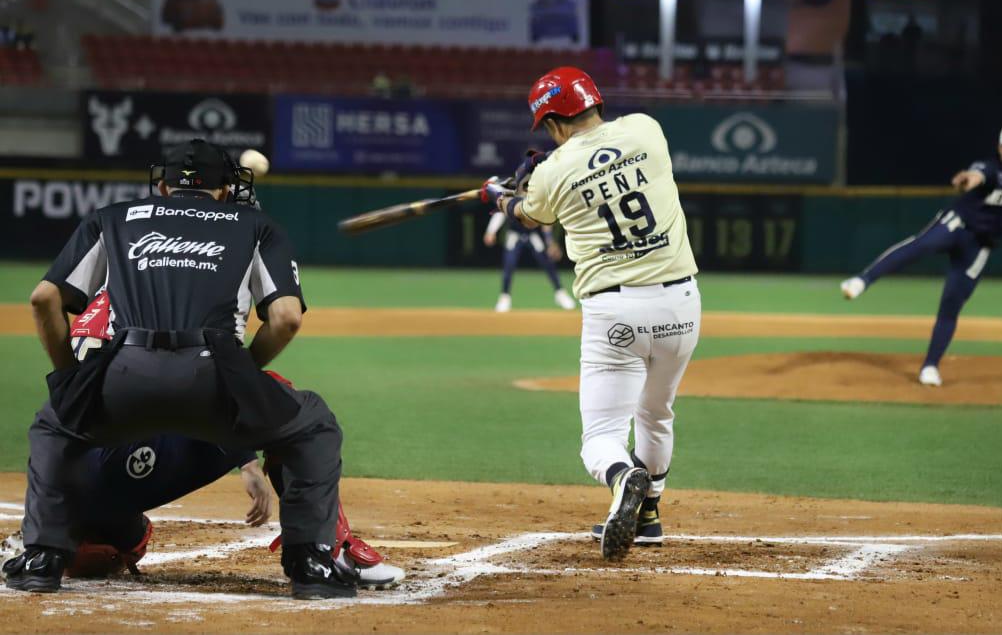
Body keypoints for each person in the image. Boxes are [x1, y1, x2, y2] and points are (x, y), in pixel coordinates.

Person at [5, 139, 359, 599]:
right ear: (225, 190)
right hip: (214, 381)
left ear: (165, 186)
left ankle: (42, 558)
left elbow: (44, 299)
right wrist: (243, 372)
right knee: (313, 425)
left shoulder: (112, 219)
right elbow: (287, 317)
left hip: (121, 377)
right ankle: (310, 562)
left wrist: (70, 379)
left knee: (54, 424)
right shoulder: (255, 225)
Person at [0, 288, 405, 589]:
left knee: (117, 543)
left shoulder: (109, 288)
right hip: (123, 457)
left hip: (75, 472)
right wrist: (246, 458)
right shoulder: (166, 295)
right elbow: (203, 386)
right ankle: (334, 549)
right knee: (280, 401)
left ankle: (55, 536)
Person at [481, 67, 700, 560]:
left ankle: (624, 478)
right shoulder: (646, 128)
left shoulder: (555, 170)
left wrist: (498, 195)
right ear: (594, 100)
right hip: (681, 303)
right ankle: (649, 518)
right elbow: (593, 164)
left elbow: (527, 212)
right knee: (657, 413)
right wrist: (535, 179)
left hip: (616, 309)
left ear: (553, 119)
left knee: (601, 436)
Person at [841, 123, 1002, 386]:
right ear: (1000, 148)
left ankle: (930, 366)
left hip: (980, 247)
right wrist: (967, 179)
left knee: (952, 304)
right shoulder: (991, 167)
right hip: (956, 225)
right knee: (918, 246)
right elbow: (977, 175)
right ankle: (862, 281)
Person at [483, 166, 576, 312]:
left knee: (548, 264)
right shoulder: (511, 190)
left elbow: (546, 223)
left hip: (532, 234)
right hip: (514, 234)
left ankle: (560, 294)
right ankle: (504, 298)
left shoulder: (539, 194)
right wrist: (491, 231)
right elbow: (501, 211)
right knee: (509, 265)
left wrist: (550, 242)